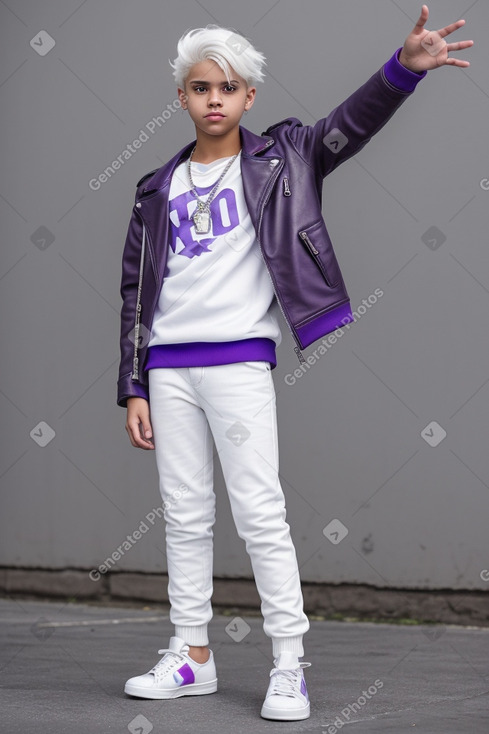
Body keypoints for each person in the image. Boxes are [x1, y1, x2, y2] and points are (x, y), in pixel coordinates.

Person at [117, 5, 472, 721]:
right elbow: (134, 291)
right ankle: (192, 655)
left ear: (250, 97)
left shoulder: (285, 157)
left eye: (227, 86)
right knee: (184, 517)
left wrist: (403, 68)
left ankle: (287, 665)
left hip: (238, 361)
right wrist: (133, 383)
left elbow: (351, 122)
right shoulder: (155, 191)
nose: (213, 98)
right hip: (167, 369)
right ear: (181, 98)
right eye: (198, 87)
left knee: (258, 515)